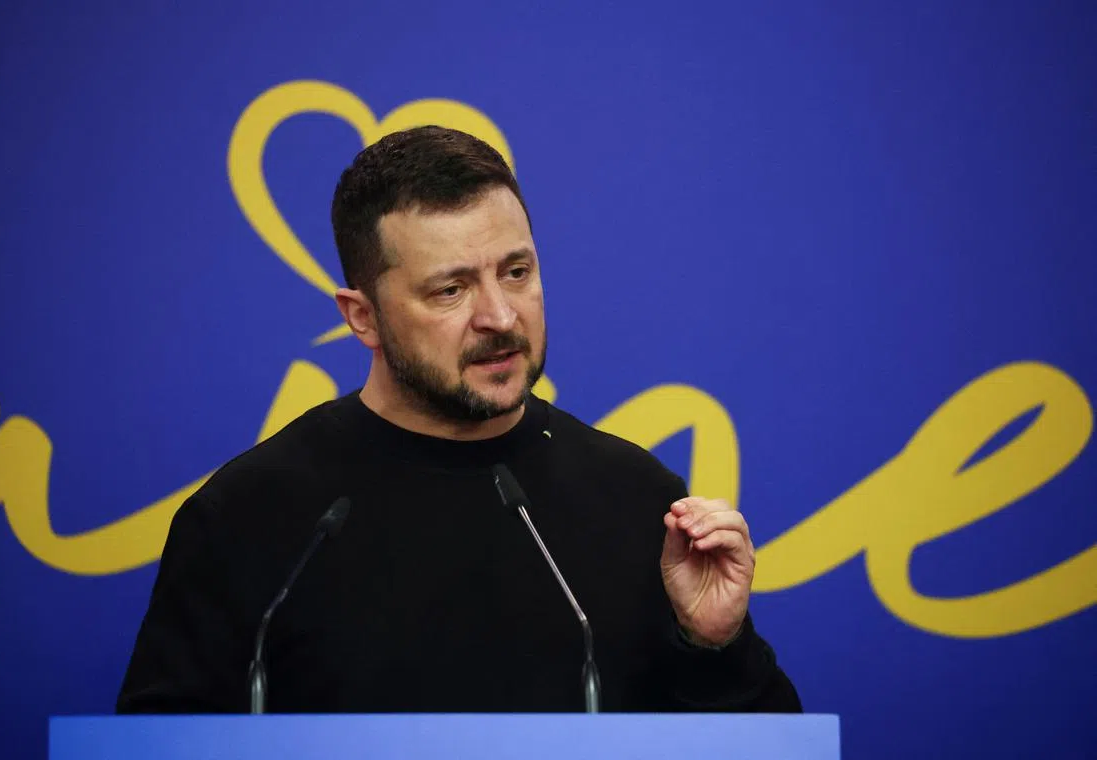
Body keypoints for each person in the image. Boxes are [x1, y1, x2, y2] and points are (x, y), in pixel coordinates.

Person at [115, 126, 801, 714]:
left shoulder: (638, 499)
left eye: (516, 272)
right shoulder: (250, 517)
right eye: (450, 289)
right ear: (362, 317)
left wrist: (714, 645)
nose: (500, 318)